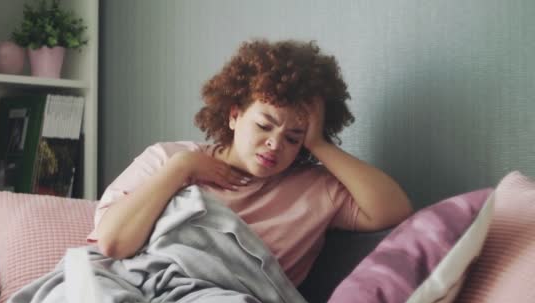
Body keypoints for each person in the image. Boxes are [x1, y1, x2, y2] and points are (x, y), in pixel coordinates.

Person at [88, 39, 413, 286]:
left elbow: (395, 210)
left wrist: (317, 144)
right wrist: (182, 169)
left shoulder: (316, 190)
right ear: (234, 114)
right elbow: (113, 243)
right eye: (264, 125)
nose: (274, 144)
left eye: (293, 136)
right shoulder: (166, 159)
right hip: (138, 294)